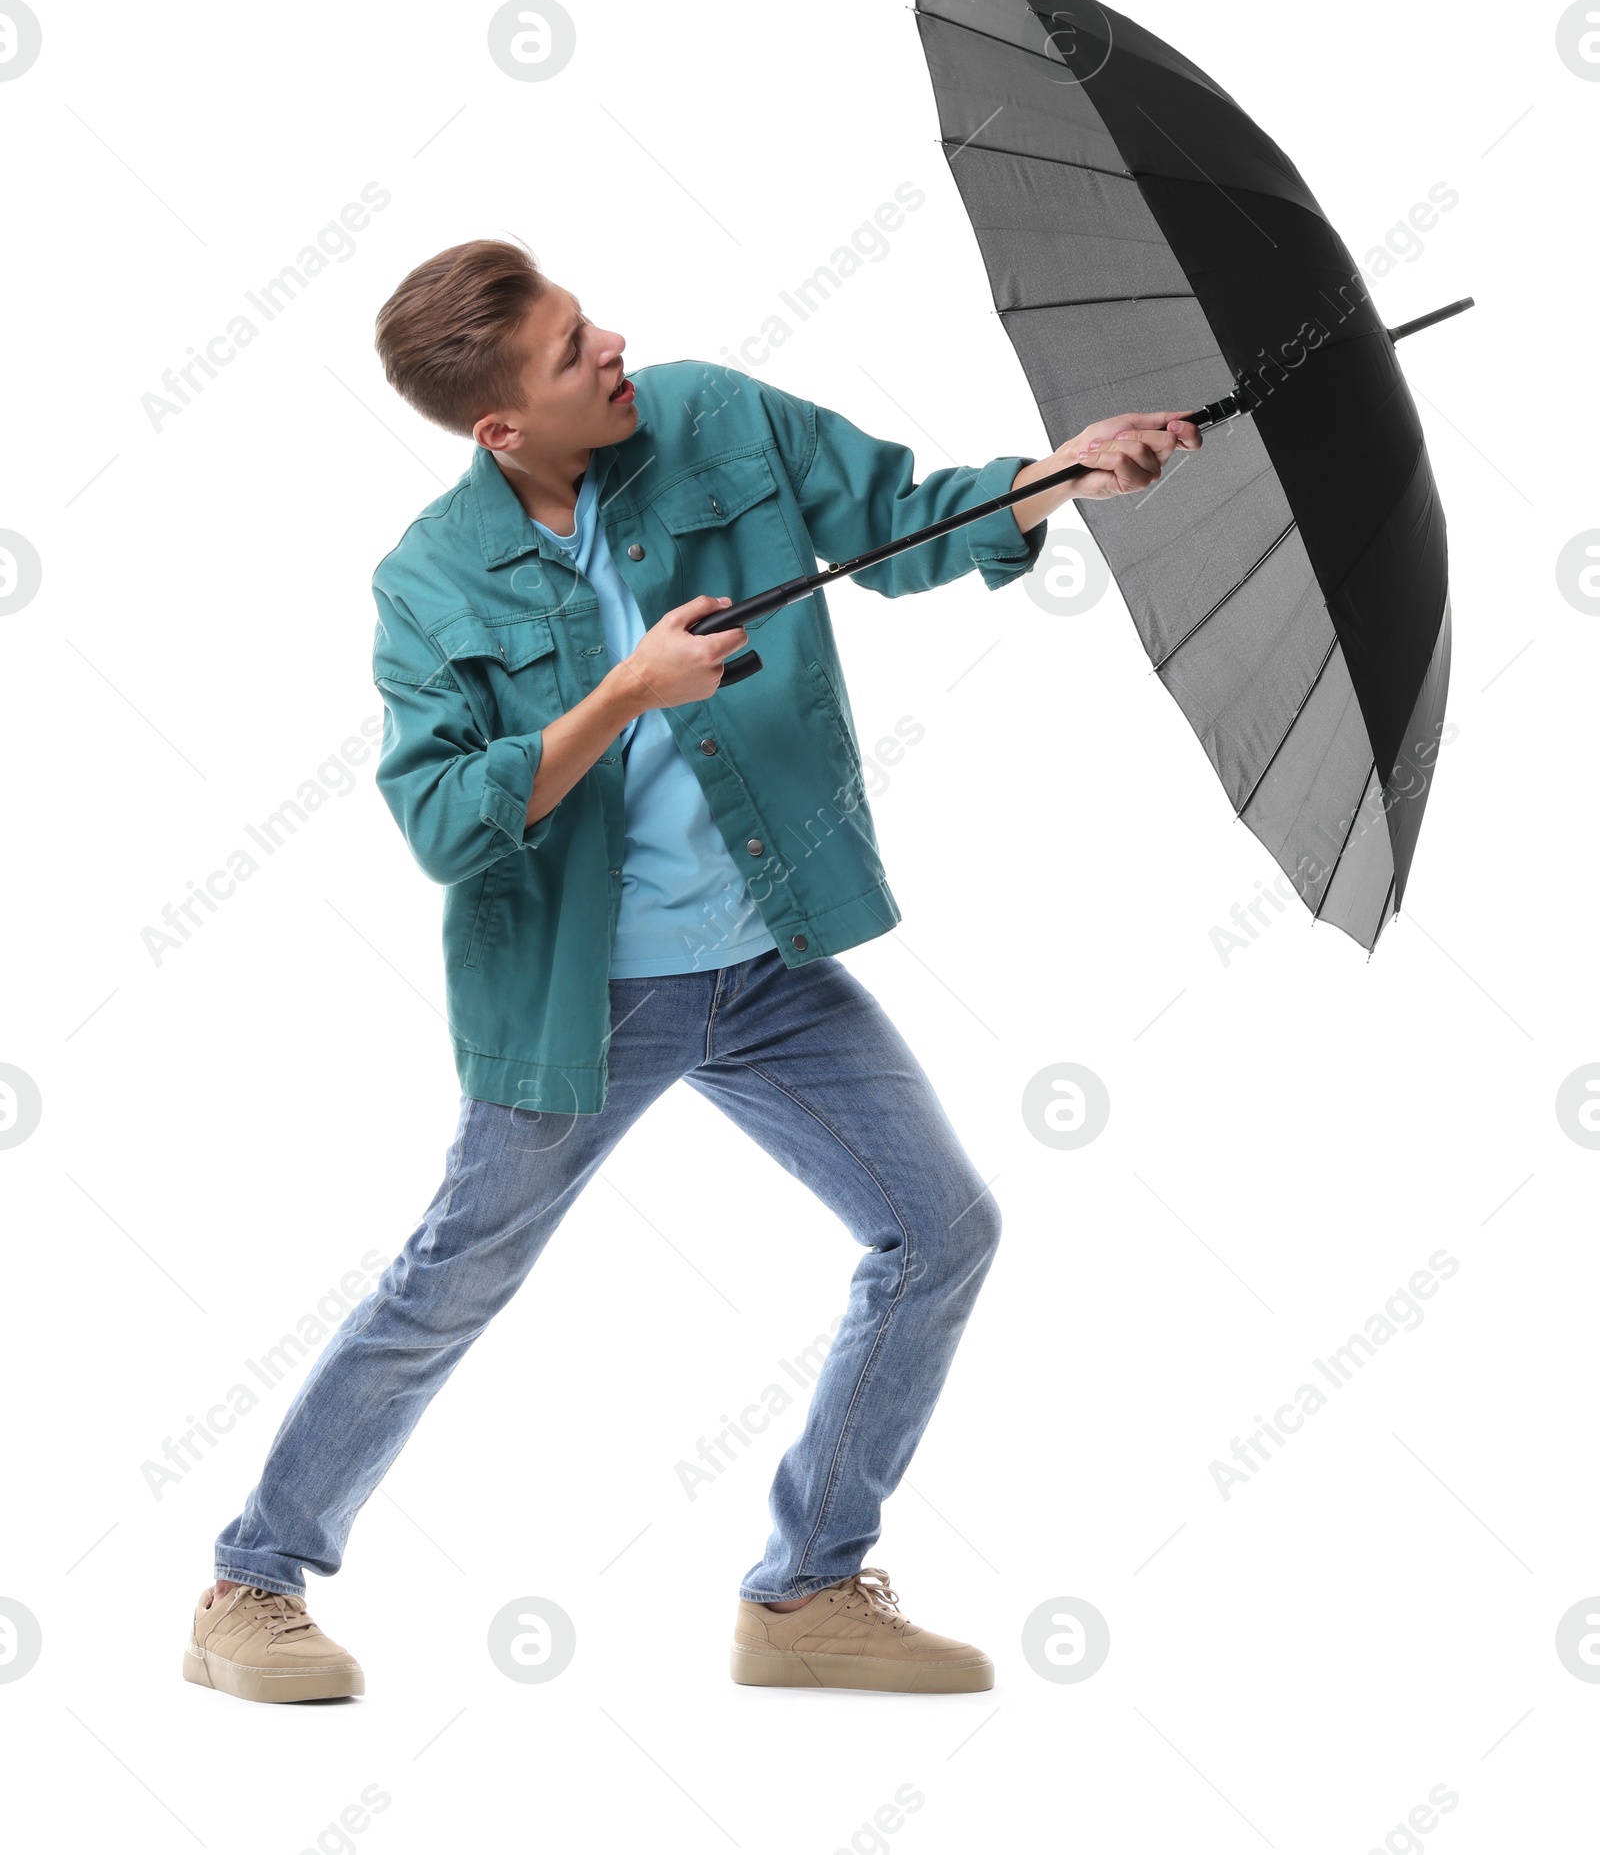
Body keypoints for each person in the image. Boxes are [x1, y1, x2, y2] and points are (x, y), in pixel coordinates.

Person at [185, 238, 1200, 1703]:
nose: (615, 348)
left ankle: (806, 1591)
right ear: (500, 429)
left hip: (770, 961)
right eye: (570, 352)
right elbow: (447, 820)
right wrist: (622, 691)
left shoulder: (717, 418)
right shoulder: (429, 579)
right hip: (581, 999)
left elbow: (907, 524)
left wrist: (1059, 478)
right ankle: (251, 1581)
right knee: (449, 1283)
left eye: (587, 317)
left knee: (942, 1228)